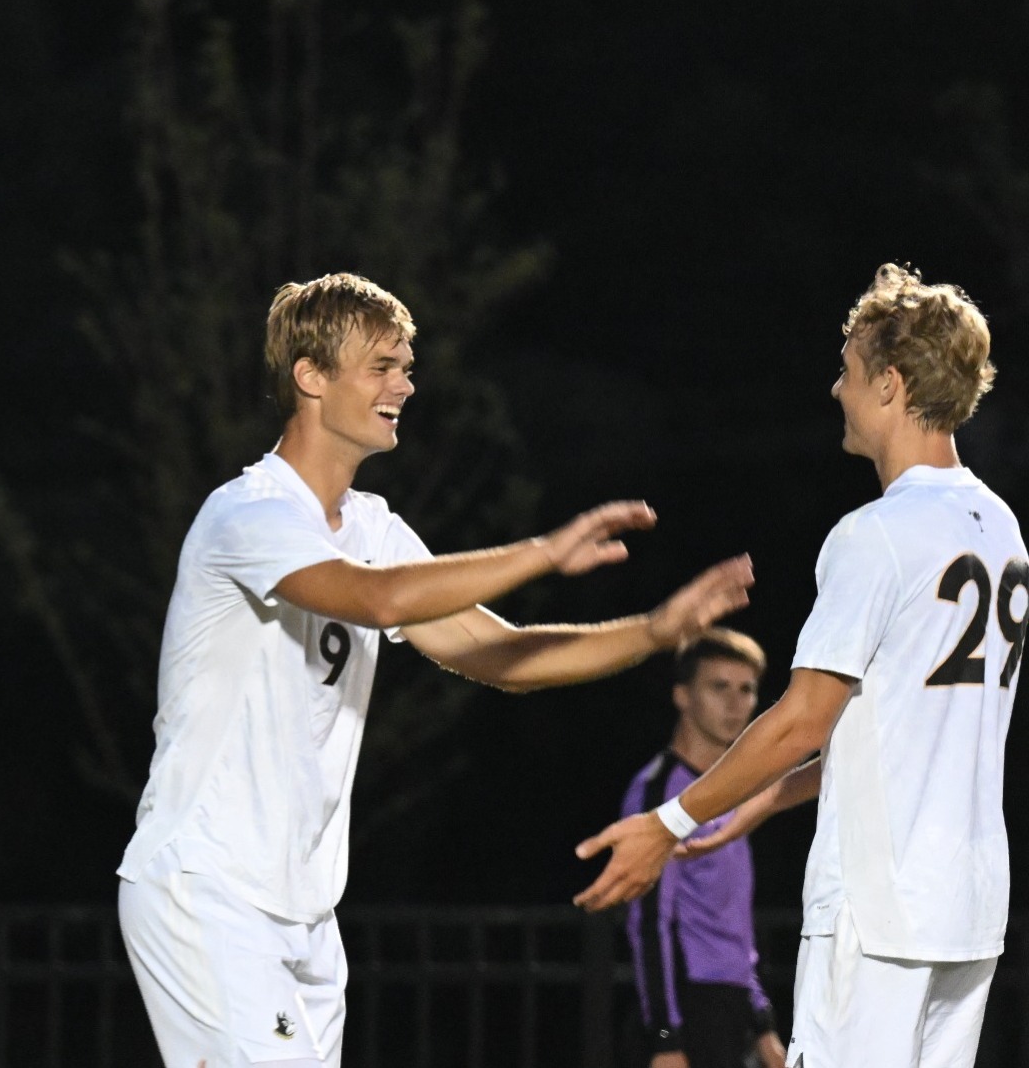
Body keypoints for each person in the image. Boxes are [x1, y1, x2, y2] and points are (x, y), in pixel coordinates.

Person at [116, 272, 756, 1068]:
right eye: (383, 365)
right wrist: (542, 552)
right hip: (206, 891)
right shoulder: (248, 513)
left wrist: (654, 630)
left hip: (306, 914)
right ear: (310, 377)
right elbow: (375, 600)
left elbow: (504, 657)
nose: (405, 384)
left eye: (407, 366)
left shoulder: (374, 524)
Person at [576, 264, 1022, 1068]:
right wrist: (756, 805)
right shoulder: (1001, 527)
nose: (836, 390)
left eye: (848, 372)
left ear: (889, 384)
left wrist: (670, 820)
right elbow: (893, 732)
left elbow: (803, 717)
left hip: (878, 916)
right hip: (967, 909)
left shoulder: (874, 534)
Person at [621, 629, 785, 1068]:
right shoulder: (660, 791)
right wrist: (664, 1038)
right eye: (718, 687)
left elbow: (732, 923)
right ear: (682, 696)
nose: (735, 703)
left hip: (730, 1011)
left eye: (746, 689)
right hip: (687, 1008)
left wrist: (762, 1021)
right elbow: (650, 921)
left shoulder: (732, 792)